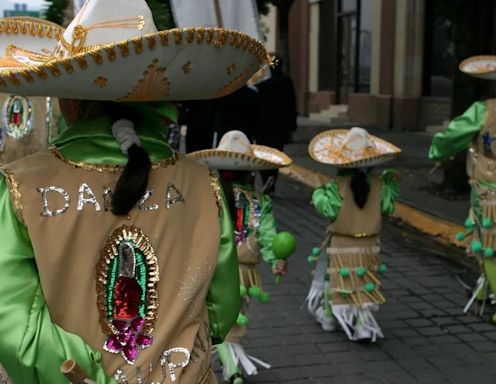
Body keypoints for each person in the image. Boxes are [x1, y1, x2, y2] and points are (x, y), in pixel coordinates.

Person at [0, 0, 269, 382]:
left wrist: (84, 372)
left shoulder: (21, 184)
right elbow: (222, 307)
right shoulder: (201, 181)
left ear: (73, 102)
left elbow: (14, 323)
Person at [188, 131, 294, 384]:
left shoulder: (207, 197)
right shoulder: (259, 201)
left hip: (211, 270)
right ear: (251, 172)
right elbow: (268, 237)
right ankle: (230, 366)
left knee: (210, 318)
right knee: (233, 320)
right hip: (243, 275)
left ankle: (225, 365)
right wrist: (275, 259)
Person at [429, 50, 496, 327]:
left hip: (493, 191)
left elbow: (452, 135)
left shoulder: (485, 109)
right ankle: (484, 291)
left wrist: (438, 152)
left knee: (491, 246)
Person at [304, 127, 400, 342]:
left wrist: (318, 192)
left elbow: (327, 209)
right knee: (364, 280)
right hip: (370, 245)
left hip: (341, 243)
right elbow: (387, 207)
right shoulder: (379, 185)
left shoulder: (335, 186)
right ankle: (363, 325)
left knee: (336, 278)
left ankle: (330, 317)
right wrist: (391, 184)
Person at [255, 55, 297, 194]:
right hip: (280, 126)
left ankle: (266, 178)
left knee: (263, 154)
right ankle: (272, 180)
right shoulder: (287, 82)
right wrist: (292, 126)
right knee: (276, 154)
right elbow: (292, 105)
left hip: (262, 126)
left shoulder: (261, 85)